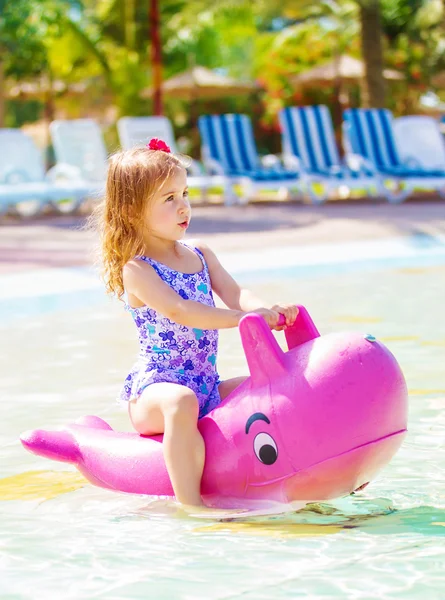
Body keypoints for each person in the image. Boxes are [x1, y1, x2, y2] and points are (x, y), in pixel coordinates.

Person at [95, 138, 298, 509]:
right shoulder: (138, 270)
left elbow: (237, 294)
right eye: (168, 198)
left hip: (208, 384)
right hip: (157, 391)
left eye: (185, 193)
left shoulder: (200, 254)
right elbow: (181, 310)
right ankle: (191, 507)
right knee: (182, 402)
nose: (184, 206)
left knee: (267, 386)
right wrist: (244, 321)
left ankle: (297, 470)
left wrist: (267, 311)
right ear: (131, 210)